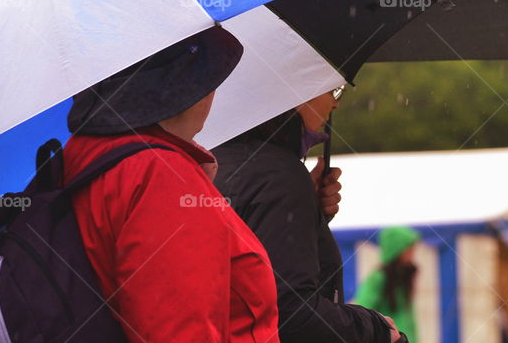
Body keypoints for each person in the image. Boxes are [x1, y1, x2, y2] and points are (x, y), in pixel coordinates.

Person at [64, 26, 279, 342]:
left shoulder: (89, 154)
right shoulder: (161, 177)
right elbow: (180, 331)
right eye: (211, 77)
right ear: (188, 87)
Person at [213, 89, 401, 343]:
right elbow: (291, 312)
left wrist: (308, 215)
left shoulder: (213, 162)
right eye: (333, 91)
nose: (335, 104)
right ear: (298, 93)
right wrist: (376, 329)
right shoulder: (280, 175)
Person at [353, 226, 422, 343]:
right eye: (409, 249)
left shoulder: (404, 277)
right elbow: (363, 311)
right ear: (397, 249)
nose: (412, 253)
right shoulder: (378, 278)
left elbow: (408, 319)